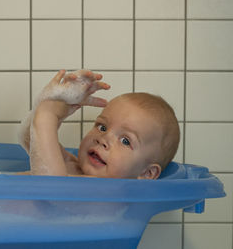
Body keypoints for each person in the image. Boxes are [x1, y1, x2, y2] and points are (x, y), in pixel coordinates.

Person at [18, 69, 180, 179]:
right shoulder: (72, 166)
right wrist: (47, 102)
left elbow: (50, 193)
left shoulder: (107, 196)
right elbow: (30, 141)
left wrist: (47, 114)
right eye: (102, 127)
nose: (103, 139)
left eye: (125, 141)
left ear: (147, 173)